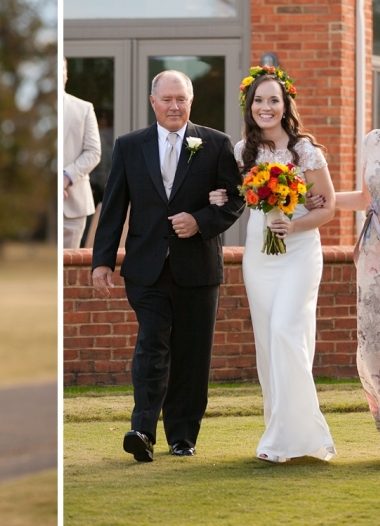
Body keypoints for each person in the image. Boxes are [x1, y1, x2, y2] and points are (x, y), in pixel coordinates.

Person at [91, 70, 243, 462]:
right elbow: (113, 208)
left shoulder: (216, 143)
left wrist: (200, 221)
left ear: (191, 102)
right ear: (152, 101)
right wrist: (102, 262)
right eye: (167, 99)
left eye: (182, 99)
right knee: (151, 344)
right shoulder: (129, 146)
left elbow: (234, 201)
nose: (175, 106)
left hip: (198, 269)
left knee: (192, 354)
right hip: (146, 268)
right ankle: (142, 429)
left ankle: (182, 436)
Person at [309, 58, 380, 472]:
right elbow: (364, 198)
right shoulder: (372, 140)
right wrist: (321, 198)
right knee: (373, 348)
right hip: (372, 260)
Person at [229, 65, 337, 463]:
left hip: (299, 252)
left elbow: (327, 206)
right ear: (250, 105)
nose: (266, 107)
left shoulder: (305, 149)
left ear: (285, 103)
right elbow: (233, 195)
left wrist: (294, 224)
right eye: (259, 100)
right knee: (268, 344)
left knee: (286, 332)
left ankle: (301, 435)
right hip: (260, 254)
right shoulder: (243, 152)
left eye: (273, 99)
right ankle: (281, 434)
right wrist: (220, 198)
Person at [62, 57, 101, 249]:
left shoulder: (84, 108)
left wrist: (65, 177)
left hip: (73, 203)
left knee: (68, 271)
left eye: (61, 69)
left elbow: (94, 152)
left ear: (66, 74)